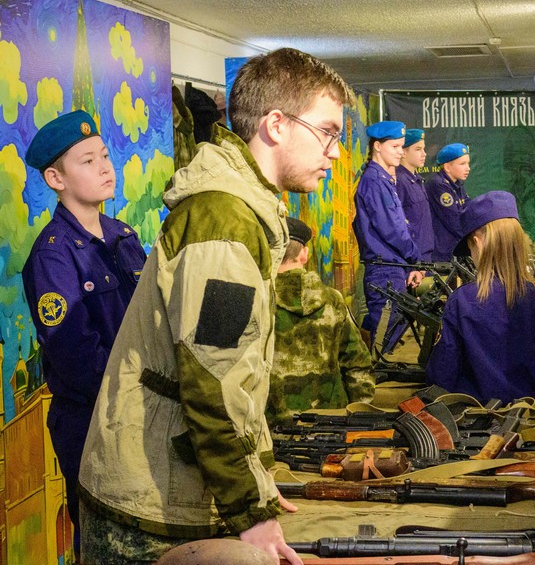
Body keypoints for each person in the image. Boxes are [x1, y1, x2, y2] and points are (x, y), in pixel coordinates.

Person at [78, 47, 355, 565]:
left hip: (173, 486)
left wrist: (256, 485)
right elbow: (213, 381)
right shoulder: (225, 225)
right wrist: (250, 510)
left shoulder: (240, 213)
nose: (335, 152)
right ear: (276, 124)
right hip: (150, 506)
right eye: (326, 132)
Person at [21, 110, 147, 556]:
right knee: (106, 543)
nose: (105, 168)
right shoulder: (53, 256)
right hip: (94, 421)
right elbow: (76, 356)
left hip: (142, 411)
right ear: (56, 178)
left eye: (105, 156)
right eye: (88, 161)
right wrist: (140, 393)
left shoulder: (123, 236)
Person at [426, 191, 535, 406]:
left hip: (473, 415)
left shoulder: (461, 301)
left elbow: (442, 374)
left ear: (478, 243)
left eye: (470, 249)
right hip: (525, 414)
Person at [268, 217, 375, 427]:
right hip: (330, 421)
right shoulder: (333, 300)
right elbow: (357, 363)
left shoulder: (258, 301)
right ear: (304, 254)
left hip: (271, 425)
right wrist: (359, 417)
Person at [352, 120, 424, 351]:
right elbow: (392, 229)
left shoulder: (382, 180)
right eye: (395, 146)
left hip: (391, 267)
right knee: (384, 345)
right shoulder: (375, 181)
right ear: (377, 146)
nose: (401, 152)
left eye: (402, 146)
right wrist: (416, 259)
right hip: (384, 269)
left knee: (388, 336)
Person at [426, 143, 470, 261]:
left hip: (453, 251)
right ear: (447, 167)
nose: (468, 168)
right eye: (462, 164)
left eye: (468, 163)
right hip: (442, 254)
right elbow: (454, 221)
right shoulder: (438, 185)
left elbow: (469, 208)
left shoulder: (456, 184)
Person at [395, 128, 435, 261]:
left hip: (424, 254)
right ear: (403, 152)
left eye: (423, 149)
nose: (424, 154)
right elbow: (399, 224)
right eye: (418, 149)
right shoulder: (400, 180)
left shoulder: (417, 179)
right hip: (412, 257)